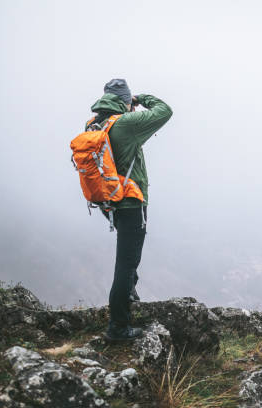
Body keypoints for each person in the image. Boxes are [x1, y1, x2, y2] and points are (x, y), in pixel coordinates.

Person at [87, 78, 173, 341]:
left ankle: (130, 292)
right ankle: (118, 327)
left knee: (127, 257)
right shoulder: (125, 123)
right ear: (125, 100)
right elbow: (164, 110)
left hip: (107, 200)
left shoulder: (95, 123)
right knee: (125, 264)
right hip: (130, 201)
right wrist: (139, 99)